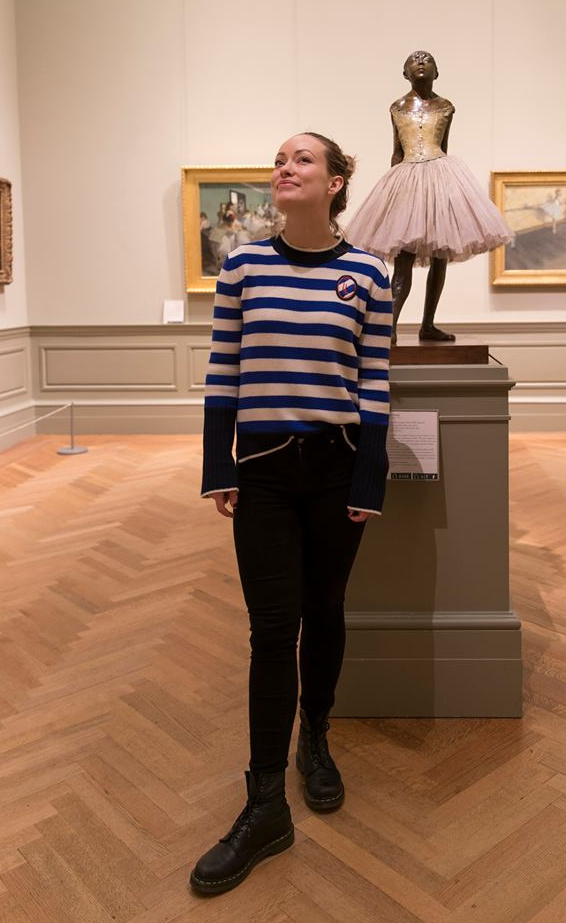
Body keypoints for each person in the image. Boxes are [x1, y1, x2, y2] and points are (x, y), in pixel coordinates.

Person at [190, 132, 393, 896]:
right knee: (272, 630)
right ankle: (266, 802)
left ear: (336, 183)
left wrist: (369, 475)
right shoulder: (243, 266)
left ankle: (317, 739)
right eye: (280, 160)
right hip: (265, 473)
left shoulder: (368, 273)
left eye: (303, 159)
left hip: (338, 469)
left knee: (325, 609)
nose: (285, 168)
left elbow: (374, 381)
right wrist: (218, 464)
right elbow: (224, 371)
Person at [347, 50, 514, 343]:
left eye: (427, 60)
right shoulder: (397, 107)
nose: (421, 62)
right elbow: (397, 151)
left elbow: (444, 147)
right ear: (405, 73)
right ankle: (391, 326)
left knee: (440, 257)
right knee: (404, 258)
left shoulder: (446, 106)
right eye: (414, 60)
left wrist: (443, 192)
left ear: (437, 72)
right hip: (407, 177)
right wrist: (393, 196)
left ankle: (428, 324)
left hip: (440, 177)